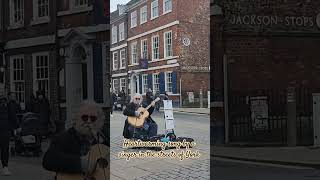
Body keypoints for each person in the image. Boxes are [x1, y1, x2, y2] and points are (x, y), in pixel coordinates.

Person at [42, 100, 108, 176]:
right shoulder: (65, 137)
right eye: (84, 118)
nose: (88, 121)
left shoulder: (104, 139)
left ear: (99, 121)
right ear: (76, 119)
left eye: (93, 118)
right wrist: (80, 163)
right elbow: (48, 160)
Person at [0, 95, 19, 176]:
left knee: (5, 148)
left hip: (5, 130)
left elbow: (12, 116)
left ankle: (5, 167)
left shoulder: (9, 105)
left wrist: (17, 127)